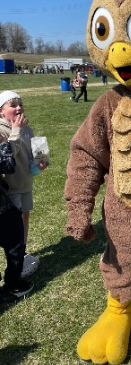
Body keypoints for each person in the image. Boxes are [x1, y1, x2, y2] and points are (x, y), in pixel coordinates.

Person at [0, 91, 48, 279]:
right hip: (8, 188)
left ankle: (22, 252)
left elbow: (32, 151)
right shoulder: (2, 130)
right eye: (13, 105)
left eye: (20, 104)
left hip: (25, 182)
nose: (19, 107)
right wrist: (16, 130)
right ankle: (15, 258)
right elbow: (7, 155)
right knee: (11, 226)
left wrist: (41, 158)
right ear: (1, 112)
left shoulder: (26, 128)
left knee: (24, 219)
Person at [0, 139, 34, 302]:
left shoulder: (26, 129)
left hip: (23, 186)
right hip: (6, 199)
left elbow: (36, 145)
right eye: (13, 109)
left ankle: (21, 260)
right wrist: (13, 137)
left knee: (20, 226)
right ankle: (13, 284)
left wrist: (41, 159)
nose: (19, 111)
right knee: (13, 238)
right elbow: (7, 164)